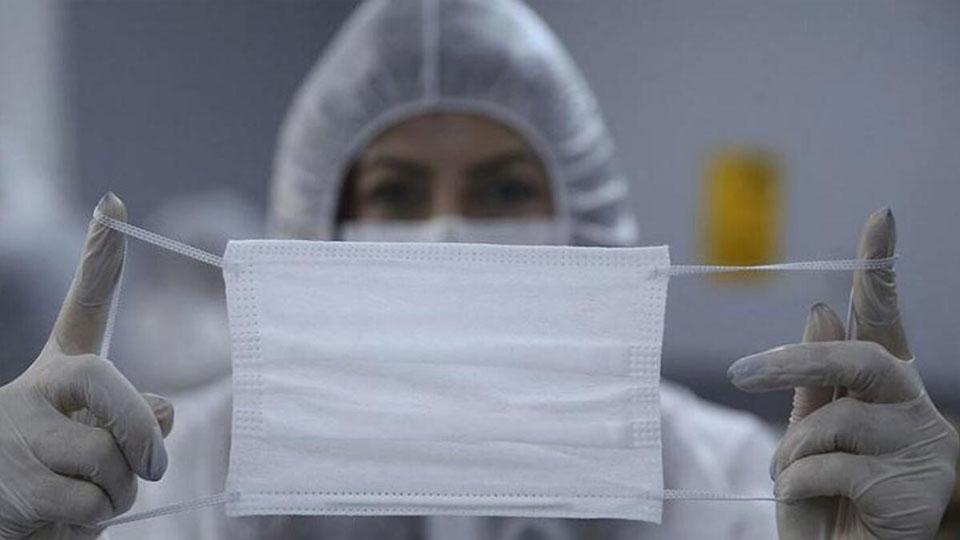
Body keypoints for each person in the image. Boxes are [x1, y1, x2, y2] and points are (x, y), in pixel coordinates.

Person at [0, 0, 955, 539]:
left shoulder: (740, 484)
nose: (449, 231)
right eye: (396, 193)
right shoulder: (175, 480)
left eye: (503, 190)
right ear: (314, 226)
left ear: (586, 216)